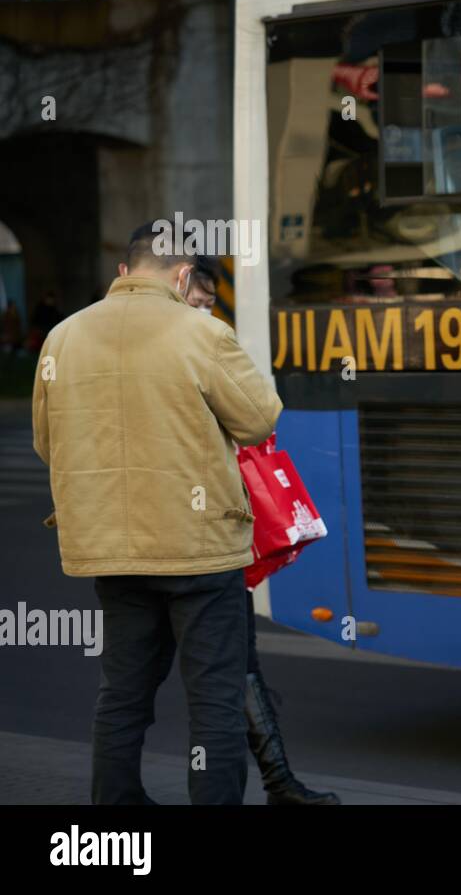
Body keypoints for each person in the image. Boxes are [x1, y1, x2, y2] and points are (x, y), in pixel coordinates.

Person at [33, 221, 283, 805]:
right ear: (181, 276)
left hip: (111, 549)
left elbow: (49, 441)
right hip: (198, 549)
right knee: (214, 705)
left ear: (126, 271)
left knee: (121, 695)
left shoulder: (62, 338)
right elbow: (259, 418)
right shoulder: (201, 332)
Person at [179, 255, 340, 805]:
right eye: (198, 303)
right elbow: (256, 415)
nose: (204, 314)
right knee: (207, 677)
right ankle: (274, 785)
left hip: (206, 542)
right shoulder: (187, 351)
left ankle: (278, 782)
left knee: (231, 667)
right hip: (193, 544)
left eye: (207, 305)